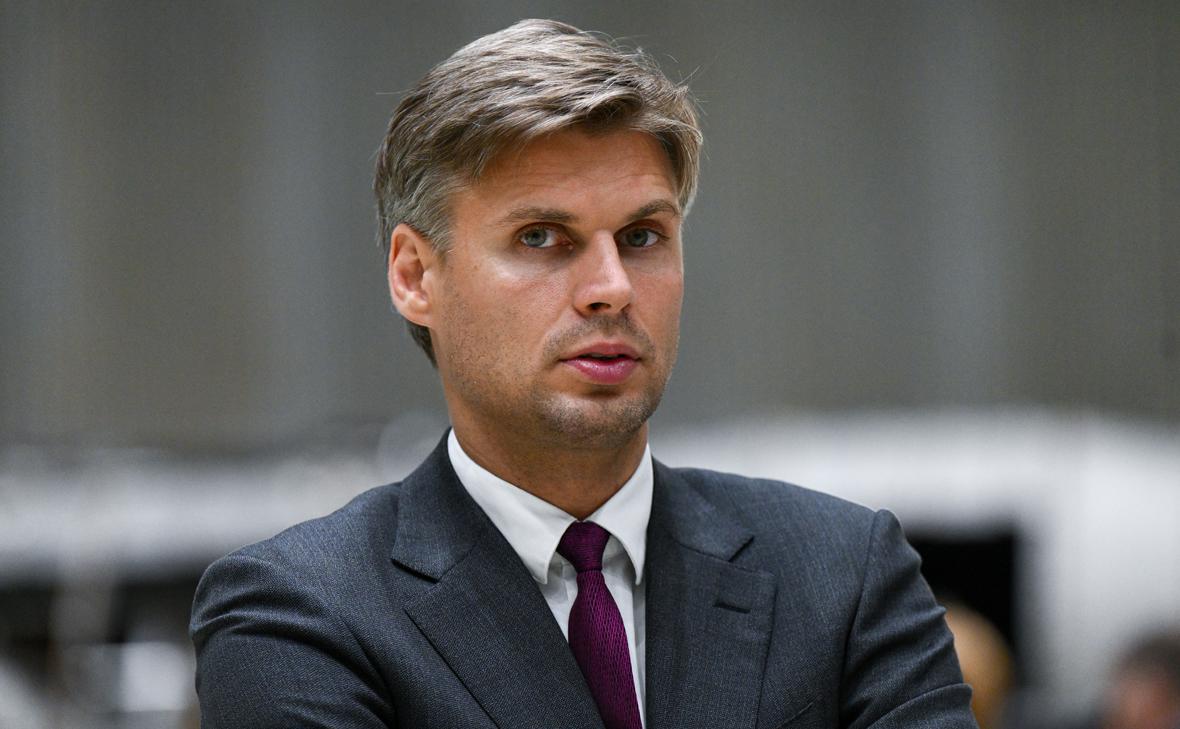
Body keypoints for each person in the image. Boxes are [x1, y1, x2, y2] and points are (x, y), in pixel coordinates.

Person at [190, 19, 977, 729]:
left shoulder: (845, 571)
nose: (612, 287)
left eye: (641, 236)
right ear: (415, 275)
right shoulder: (300, 611)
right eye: (541, 237)